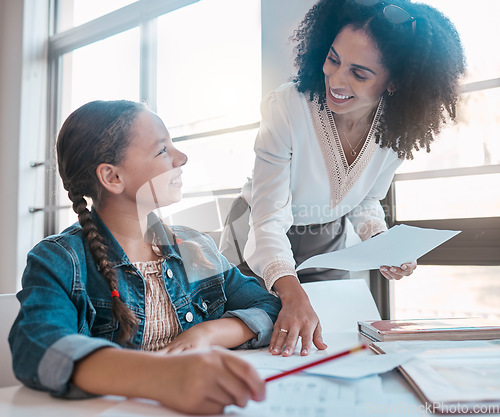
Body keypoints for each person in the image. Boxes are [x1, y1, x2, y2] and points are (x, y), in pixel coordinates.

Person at [220, 0, 465, 357]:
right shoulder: (287, 107)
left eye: (359, 73)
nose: (336, 80)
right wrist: (289, 288)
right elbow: (268, 216)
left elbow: (365, 198)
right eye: (333, 59)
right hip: (257, 229)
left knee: (322, 339)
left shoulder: (396, 130)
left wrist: (380, 241)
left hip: (326, 237)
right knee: (250, 334)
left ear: (394, 82)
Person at [9, 100, 281, 415]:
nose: (182, 157)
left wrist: (207, 332)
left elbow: (269, 307)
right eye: (162, 150)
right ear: (112, 178)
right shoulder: (60, 260)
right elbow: (37, 347)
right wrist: (163, 376)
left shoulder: (195, 247)